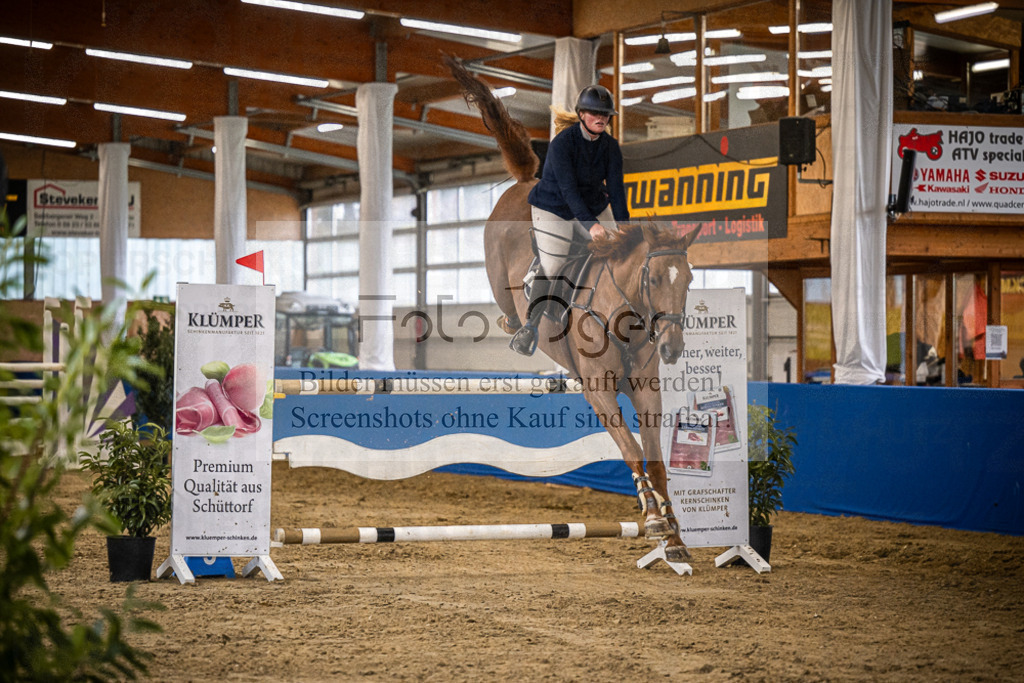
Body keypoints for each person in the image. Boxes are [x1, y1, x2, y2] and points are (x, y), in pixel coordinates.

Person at [511, 84, 631, 355]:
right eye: (595, 113)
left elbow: (616, 191)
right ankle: (529, 327)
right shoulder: (562, 144)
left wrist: (626, 230)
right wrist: (592, 226)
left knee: (619, 252)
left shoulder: (611, 147)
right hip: (554, 207)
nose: (601, 118)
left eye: (606, 115)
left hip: (591, 206)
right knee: (554, 264)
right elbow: (569, 192)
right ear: (580, 114)